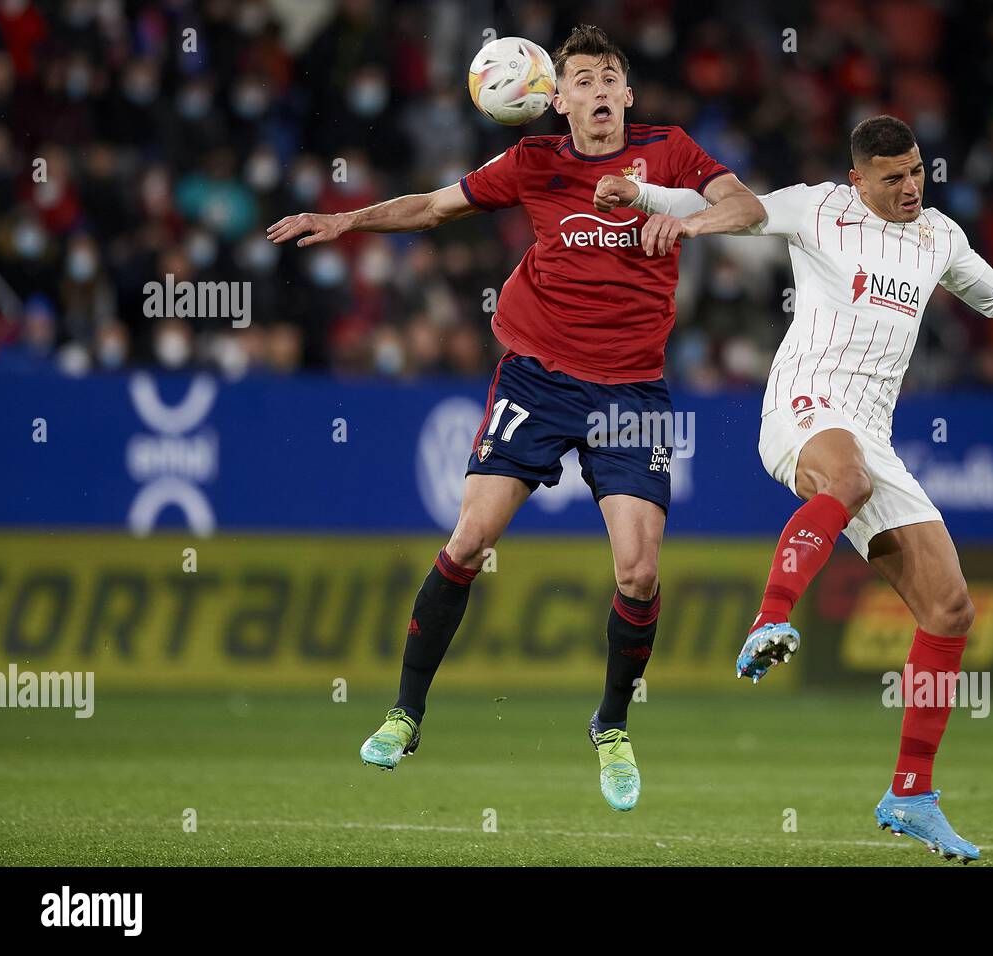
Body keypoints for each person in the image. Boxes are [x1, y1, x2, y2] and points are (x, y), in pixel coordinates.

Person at [593, 114, 993, 854]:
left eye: (917, 172)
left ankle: (912, 793)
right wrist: (643, 197)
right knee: (848, 478)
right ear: (857, 178)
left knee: (951, 606)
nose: (910, 187)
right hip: (804, 408)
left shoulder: (940, 236)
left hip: (872, 435)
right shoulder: (816, 208)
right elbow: (738, 210)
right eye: (893, 177)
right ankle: (771, 615)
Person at [267, 25, 764, 812]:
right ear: (555, 98)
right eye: (584, 81)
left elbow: (746, 205)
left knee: (639, 573)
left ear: (627, 95)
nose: (600, 91)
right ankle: (405, 713)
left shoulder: (668, 152)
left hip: (631, 392)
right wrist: (347, 220)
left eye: (611, 78)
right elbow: (433, 207)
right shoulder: (534, 163)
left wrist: (692, 222)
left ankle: (610, 725)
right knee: (468, 540)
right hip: (538, 377)